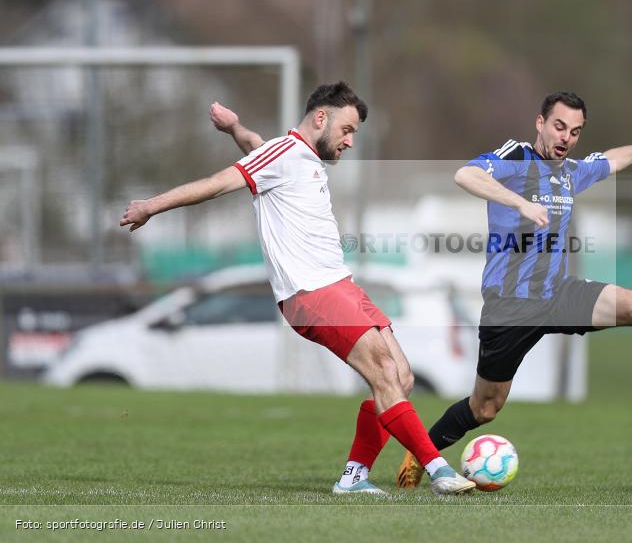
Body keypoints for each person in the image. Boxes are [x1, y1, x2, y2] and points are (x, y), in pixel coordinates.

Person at [120, 82, 475, 496]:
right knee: (382, 373)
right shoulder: (284, 154)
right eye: (347, 129)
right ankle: (439, 469)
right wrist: (149, 206)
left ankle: (355, 477)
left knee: (401, 375)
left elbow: (256, 146)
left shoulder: (296, 156)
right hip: (311, 292)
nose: (350, 141)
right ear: (320, 118)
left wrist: (235, 127)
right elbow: (217, 183)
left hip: (340, 284)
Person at [395, 90, 632, 488]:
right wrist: (519, 203)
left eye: (576, 131)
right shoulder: (516, 157)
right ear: (540, 123)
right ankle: (422, 452)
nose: (566, 137)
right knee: (485, 407)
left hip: (558, 295)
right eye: (559, 126)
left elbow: (609, 161)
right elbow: (466, 175)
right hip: (509, 308)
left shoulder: (570, 171)